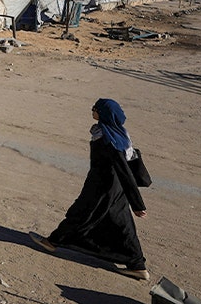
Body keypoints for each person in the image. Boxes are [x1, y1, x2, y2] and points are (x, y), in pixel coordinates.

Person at [30, 98, 149, 280]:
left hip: (101, 187)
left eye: (95, 108)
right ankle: (137, 265)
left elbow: (124, 171)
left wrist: (138, 204)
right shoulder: (118, 134)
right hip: (115, 189)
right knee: (123, 224)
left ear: (104, 114)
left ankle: (52, 241)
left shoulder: (108, 139)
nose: (92, 110)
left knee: (81, 213)